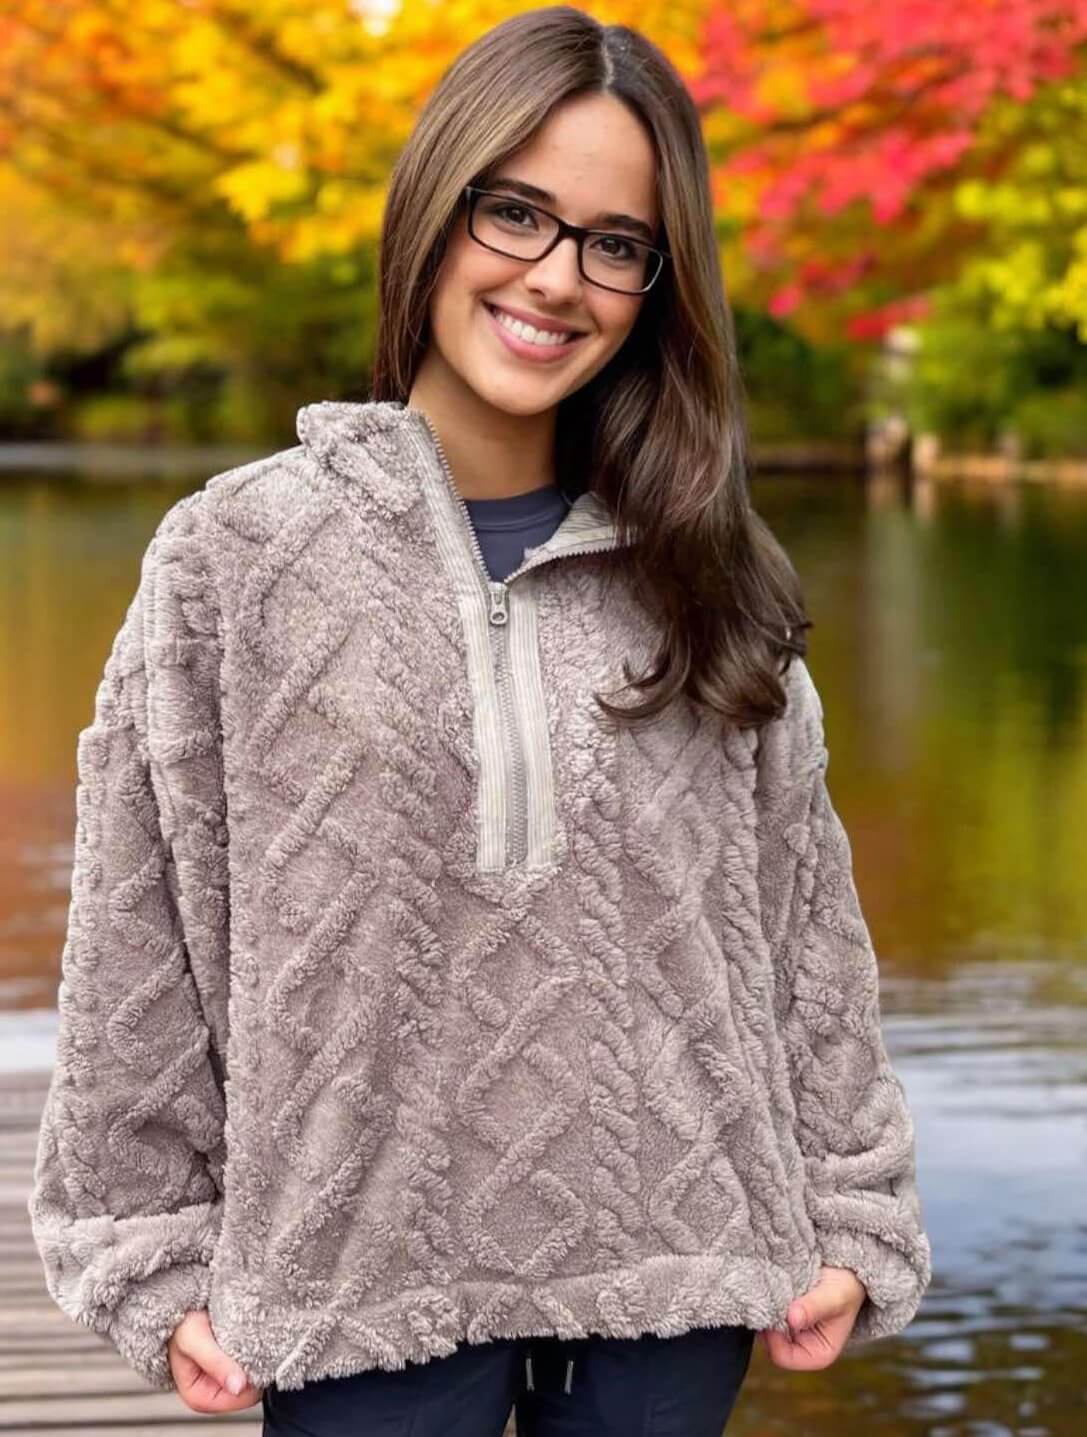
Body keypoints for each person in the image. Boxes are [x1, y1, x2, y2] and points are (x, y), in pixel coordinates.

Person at [27, 7, 933, 1436]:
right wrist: (146, 1251)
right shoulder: (234, 559)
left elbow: (800, 921)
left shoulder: (712, 570)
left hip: (679, 1267)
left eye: (614, 242)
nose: (556, 278)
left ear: (658, 282)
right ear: (435, 210)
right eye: (517, 213)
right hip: (351, 1272)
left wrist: (852, 1203)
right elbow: (146, 931)